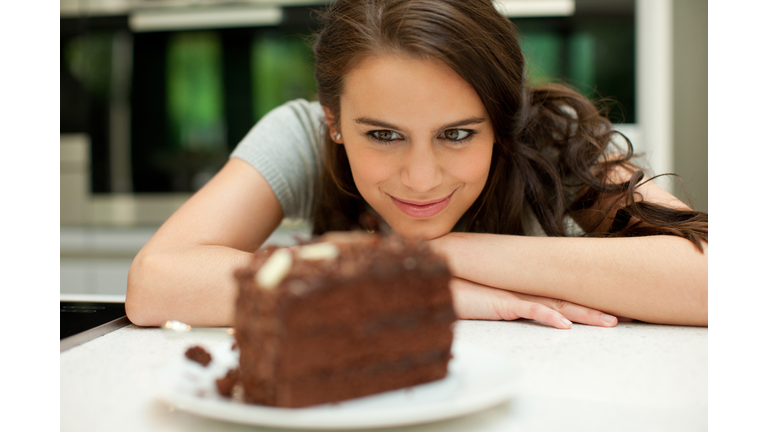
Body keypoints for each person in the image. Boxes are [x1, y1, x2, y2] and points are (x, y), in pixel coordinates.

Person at [125, 0, 707, 329]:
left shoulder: (553, 136)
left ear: (503, 119)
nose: (422, 178)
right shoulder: (302, 135)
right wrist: (407, 286)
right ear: (333, 119)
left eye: (457, 133)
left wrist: (435, 254)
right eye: (383, 135)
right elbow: (156, 284)